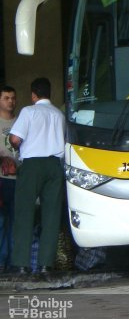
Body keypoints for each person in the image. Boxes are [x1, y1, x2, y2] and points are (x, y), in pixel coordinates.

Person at [9, 78, 65, 275]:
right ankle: (45, 265)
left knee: (24, 213)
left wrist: (15, 145)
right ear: (49, 93)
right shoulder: (59, 114)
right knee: (51, 216)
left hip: (32, 165)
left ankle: (21, 264)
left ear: (33, 95)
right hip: (54, 166)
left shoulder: (29, 111)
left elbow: (15, 138)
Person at [0, 85, 18, 272]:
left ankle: (13, 263)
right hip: (1, 178)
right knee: (1, 221)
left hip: (17, 179)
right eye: (6, 98)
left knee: (15, 221)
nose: (10, 101)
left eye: (12, 98)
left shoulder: (20, 121)